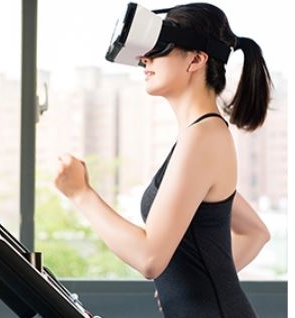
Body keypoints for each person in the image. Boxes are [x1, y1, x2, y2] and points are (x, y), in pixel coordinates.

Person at [54, 2, 272, 317]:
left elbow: (149, 258)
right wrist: (190, 285)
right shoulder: (201, 136)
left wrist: (80, 194)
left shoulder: (203, 139)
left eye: (159, 49)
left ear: (196, 59)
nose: (145, 58)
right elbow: (255, 232)